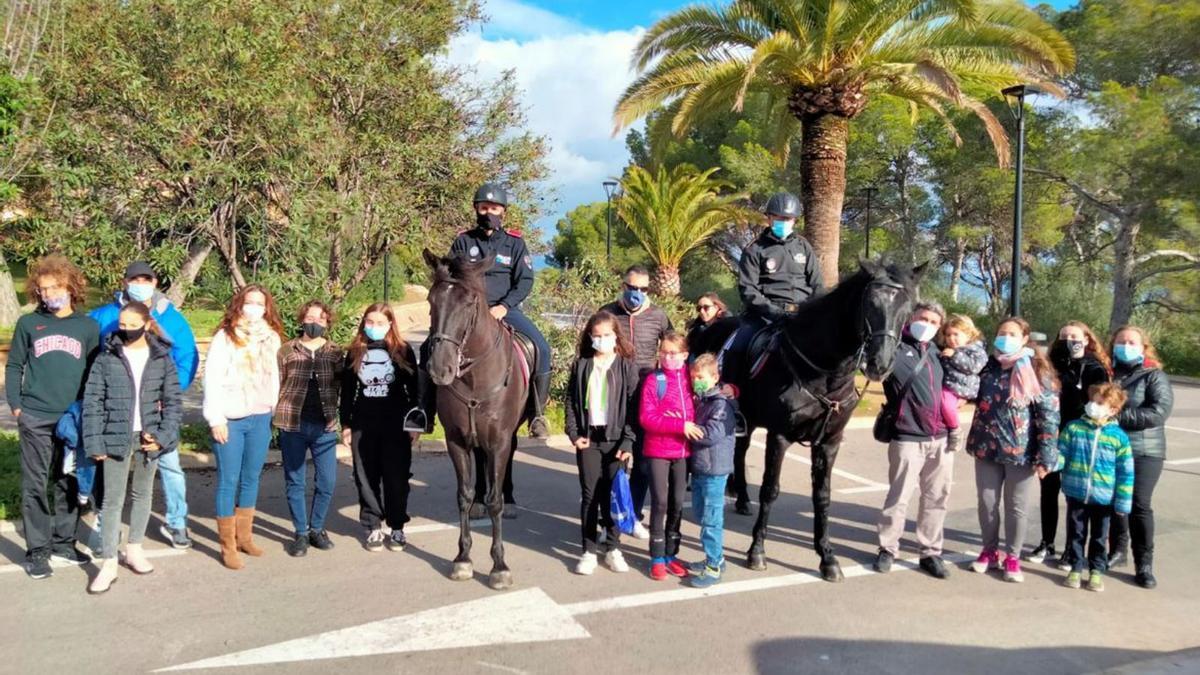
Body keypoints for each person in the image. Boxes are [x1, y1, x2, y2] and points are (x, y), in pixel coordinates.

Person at [407, 182, 551, 438]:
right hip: (467, 311)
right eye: (484, 208)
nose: (489, 213)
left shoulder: (515, 244)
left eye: (494, 208)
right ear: (476, 209)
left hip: (505, 309)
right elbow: (450, 275)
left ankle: (537, 414)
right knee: (431, 346)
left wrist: (504, 307)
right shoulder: (464, 241)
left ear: (503, 211)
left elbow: (525, 280)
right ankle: (423, 411)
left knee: (541, 347)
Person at [90, 260, 199, 549]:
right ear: (125, 282)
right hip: (118, 413)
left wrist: (172, 392)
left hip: (158, 411)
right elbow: (91, 358)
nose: (140, 284)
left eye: (146, 279)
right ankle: (105, 528)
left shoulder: (171, 317)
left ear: (155, 282)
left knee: (170, 466)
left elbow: (187, 355)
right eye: (134, 279)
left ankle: (177, 522)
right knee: (110, 476)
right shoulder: (105, 316)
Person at [6, 255, 100, 579]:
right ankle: (37, 551)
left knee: (67, 480)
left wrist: (89, 410)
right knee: (35, 484)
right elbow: (15, 365)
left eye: (54, 287)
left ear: (71, 287)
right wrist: (16, 404)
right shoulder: (29, 324)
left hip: (71, 419)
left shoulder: (88, 327)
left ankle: (63, 542)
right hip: (34, 416)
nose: (48, 294)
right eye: (43, 289)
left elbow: (93, 370)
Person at [83, 303, 182, 593]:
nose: (125, 329)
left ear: (146, 322)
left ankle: (135, 549)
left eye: (131, 324)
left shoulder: (161, 358)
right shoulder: (106, 356)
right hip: (115, 435)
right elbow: (92, 402)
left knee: (142, 494)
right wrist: (94, 440)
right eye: (121, 324)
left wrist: (163, 436)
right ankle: (109, 562)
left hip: (148, 437)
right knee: (112, 500)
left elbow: (174, 403)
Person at [967, 317, 1060, 583]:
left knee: (1016, 507)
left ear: (1024, 338)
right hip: (986, 447)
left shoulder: (1038, 369)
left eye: (1012, 334)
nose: (1005, 338)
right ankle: (989, 551)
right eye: (1001, 333)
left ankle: (1012, 556)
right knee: (986, 504)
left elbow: (1049, 415)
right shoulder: (987, 366)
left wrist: (1046, 455)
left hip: (1022, 451)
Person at [202, 284, 283, 570]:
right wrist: (216, 419)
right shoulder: (226, 338)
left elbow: (275, 377)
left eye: (259, 303)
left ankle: (244, 536)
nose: (254, 308)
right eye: (249, 302)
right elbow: (211, 378)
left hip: (260, 416)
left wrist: (275, 411)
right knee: (229, 480)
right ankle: (228, 546)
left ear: (266, 308)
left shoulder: (271, 338)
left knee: (251, 478)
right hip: (231, 418)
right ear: (240, 304)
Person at [873, 302, 954, 580]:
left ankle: (930, 552)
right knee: (899, 497)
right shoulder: (894, 348)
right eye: (923, 318)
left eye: (934, 321)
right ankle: (887, 549)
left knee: (936, 498)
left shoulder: (937, 352)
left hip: (941, 439)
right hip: (907, 436)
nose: (928, 324)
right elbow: (873, 368)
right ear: (911, 318)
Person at [600, 265, 673, 538]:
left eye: (643, 289)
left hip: (646, 396)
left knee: (643, 460)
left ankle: (633, 514)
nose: (637, 294)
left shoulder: (658, 316)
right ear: (623, 285)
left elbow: (671, 349)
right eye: (632, 288)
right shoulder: (608, 312)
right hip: (613, 395)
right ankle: (609, 515)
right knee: (613, 459)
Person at [564, 311, 639, 575]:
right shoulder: (582, 364)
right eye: (596, 336)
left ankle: (613, 548)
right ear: (590, 337)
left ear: (616, 336)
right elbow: (571, 402)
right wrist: (573, 433)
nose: (602, 340)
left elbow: (633, 407)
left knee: (614, 494)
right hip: (589, 440)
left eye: (607, 335)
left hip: (616, 441)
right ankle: (588, 550)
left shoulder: (626, 366)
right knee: (590, 496)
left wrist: (628, 441)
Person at [342, 303, 420, 553]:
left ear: (390, 324)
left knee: (397, 478)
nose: (374, 327)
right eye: (369, 322)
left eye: (379, 323)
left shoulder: (402, 350)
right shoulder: (356, 351)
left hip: (396, 425)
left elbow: (415, 390)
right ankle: (373, 525)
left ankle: (397, 526)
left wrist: (415, 424)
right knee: (366, 478)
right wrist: (346, 424)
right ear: (363, 323)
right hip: (363, 425)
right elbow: (347, 392)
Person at [1033, 321, 1111, 567]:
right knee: (1048, 490)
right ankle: (1047, 542)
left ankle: (1072, 549)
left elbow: (1099, 401)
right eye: (1064, 336)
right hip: (1051, 435)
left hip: (1078, 437)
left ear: (1087, 340)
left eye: (1075, 337)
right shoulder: (1050, 363)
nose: (1069, 341)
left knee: (1074, 496)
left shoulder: (1094, 367)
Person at [723, 192, 823, 380]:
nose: (783, 222)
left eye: (788, 218)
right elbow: (748, 290)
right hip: (764, 316)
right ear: (769, 218)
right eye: (779, 218)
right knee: (737, 346)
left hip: (802, 313)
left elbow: (817, 284)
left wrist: (813, 310)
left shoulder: (804, 247)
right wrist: (773, 311)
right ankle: (730, 393)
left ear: (794, 220)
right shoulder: (755, 249)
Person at [276, 300, 344, 558]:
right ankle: (301, 532)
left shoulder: (335, 352)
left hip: (324, 425)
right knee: (295, 480)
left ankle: (317, 528)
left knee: (327, 481)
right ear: (302, 319)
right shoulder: (286, 350)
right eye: (310, 318)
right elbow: (279, 382)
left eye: (320, 319)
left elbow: (340, 385)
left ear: (327, 323)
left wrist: (339, 418)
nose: (314, 323)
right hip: (293, 423)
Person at [1107, 325, 1174, 589]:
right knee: (1115, 502)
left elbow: (1158, 412)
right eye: (1120, 341)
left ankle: (1144, 563)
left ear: (1143, 346)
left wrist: (1117, 416)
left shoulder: (1154, 376)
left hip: (1146, 451)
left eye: (1131, 342)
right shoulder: (1110, 374)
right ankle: (1117, 551)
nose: (1125, 345)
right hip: (1113, 449)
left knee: (1138, 504)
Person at [1056, 383, 1133, 593]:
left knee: (1100, 536)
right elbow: (1061, 453)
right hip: (1076, 491)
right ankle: (1075, 567)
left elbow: (1126, 472)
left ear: (1113, 410)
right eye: (1092, 401)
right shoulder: (1074, 428)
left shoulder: (1118, 437)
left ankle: (1096, 571)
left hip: (1104, 496)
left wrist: (1123, 501)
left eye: (1100, 403)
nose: (1093, 406)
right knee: (1076, 533)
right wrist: (1050, 462)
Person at [639, 332, 699, 580]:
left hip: (683, 452)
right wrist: (680, 426)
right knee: (660, 503)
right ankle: (656, 556)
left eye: (673, 353)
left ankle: (671, 554)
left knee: (676, 503)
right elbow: (646, 418)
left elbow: (713, 387)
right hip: (658, 451)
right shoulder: (655, 380)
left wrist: (732, 389)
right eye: (663, 352)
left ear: (685, 355)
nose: (667, 357)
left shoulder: (692, 379)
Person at [684, 354, 738, 589]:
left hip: (715, 471)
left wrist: (687, 429)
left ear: (715, 378)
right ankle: (716, 558)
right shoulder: (702, 400)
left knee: (711, 520)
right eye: (694, 377)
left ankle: (714, 566)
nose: (697, 381)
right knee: (700, 513)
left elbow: (712, 433)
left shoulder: (720, 404)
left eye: (702, 377)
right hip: (700, 468)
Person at [937, 314, 987, 454]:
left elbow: (974, 367)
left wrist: (954, 355)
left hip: (960, 387)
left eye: (956, 334)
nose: (951, 339)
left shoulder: (977, 351)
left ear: (969, 334)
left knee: (946, 405)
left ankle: (955, 430)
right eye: (948, 335)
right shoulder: (948, 350)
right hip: (950, 385)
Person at [686, 293, 738, 361]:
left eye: (706, 307)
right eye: (699, 308)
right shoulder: (697, 327)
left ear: (717, 307)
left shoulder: (727, 327)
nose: (701, 311)